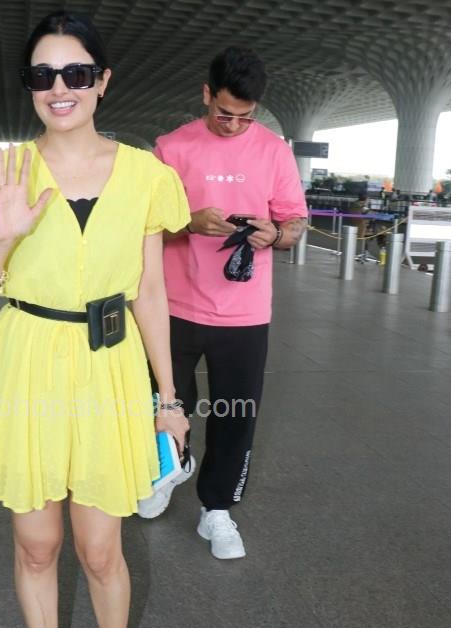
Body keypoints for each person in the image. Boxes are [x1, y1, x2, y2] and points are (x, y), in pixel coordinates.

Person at [0, 10, 189, 628]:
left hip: (108, 364)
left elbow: (151, 294)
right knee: (36, 545)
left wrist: (169, 398)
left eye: (77, 73)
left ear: (102, 81)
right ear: (29, 86)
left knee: (100, 547)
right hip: (25, 361)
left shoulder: (147, 176)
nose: (61, 88)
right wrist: (3, 237)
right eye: (43, 75)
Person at [137, 47, 307, 560]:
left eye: (245, 117)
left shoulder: (274, 152)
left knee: (237, 414)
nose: (233, 125)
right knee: (165, 402)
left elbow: (295, 224)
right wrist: (189, 222)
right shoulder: (170, 148)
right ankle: (170, 468)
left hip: (244, 313)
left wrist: (275, 234)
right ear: (206, 94)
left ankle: (216, 509)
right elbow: (144, 225)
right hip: (175, 305)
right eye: (223, 113)